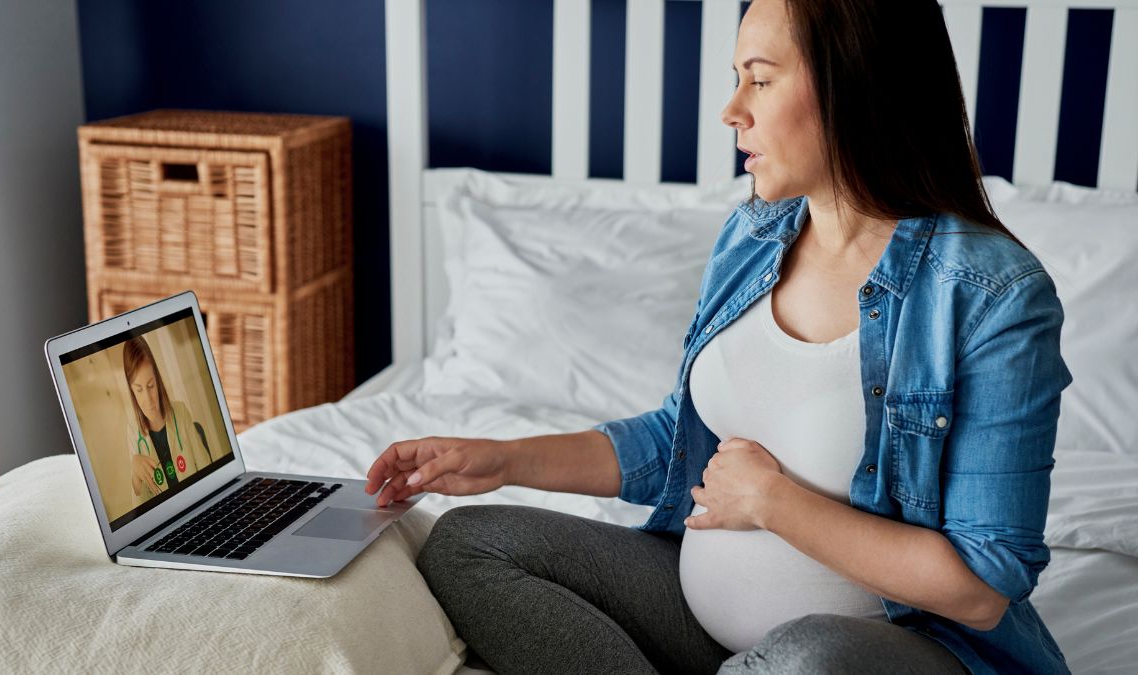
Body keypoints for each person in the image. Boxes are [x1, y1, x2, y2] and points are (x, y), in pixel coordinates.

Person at [364, 0, 1072, 672]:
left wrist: (774, 501)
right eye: (737, 80)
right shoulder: (754, 235)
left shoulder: (991, 296)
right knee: (468, 545)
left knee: (803, 661)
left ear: (853, 85)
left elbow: (982, 586)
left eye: (759, 80)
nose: (732, 111)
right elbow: (679, 440)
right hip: (699, 625)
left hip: (887, 651)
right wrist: (499, 460)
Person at [125, 335, 213, 508]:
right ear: (132, 391)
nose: (148, 400)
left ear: (157, 381)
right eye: (139, 389)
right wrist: (135, 473)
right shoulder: (133, 432)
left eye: (150, 386)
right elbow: (139, 510)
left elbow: (207, 470)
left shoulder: (180, 412)